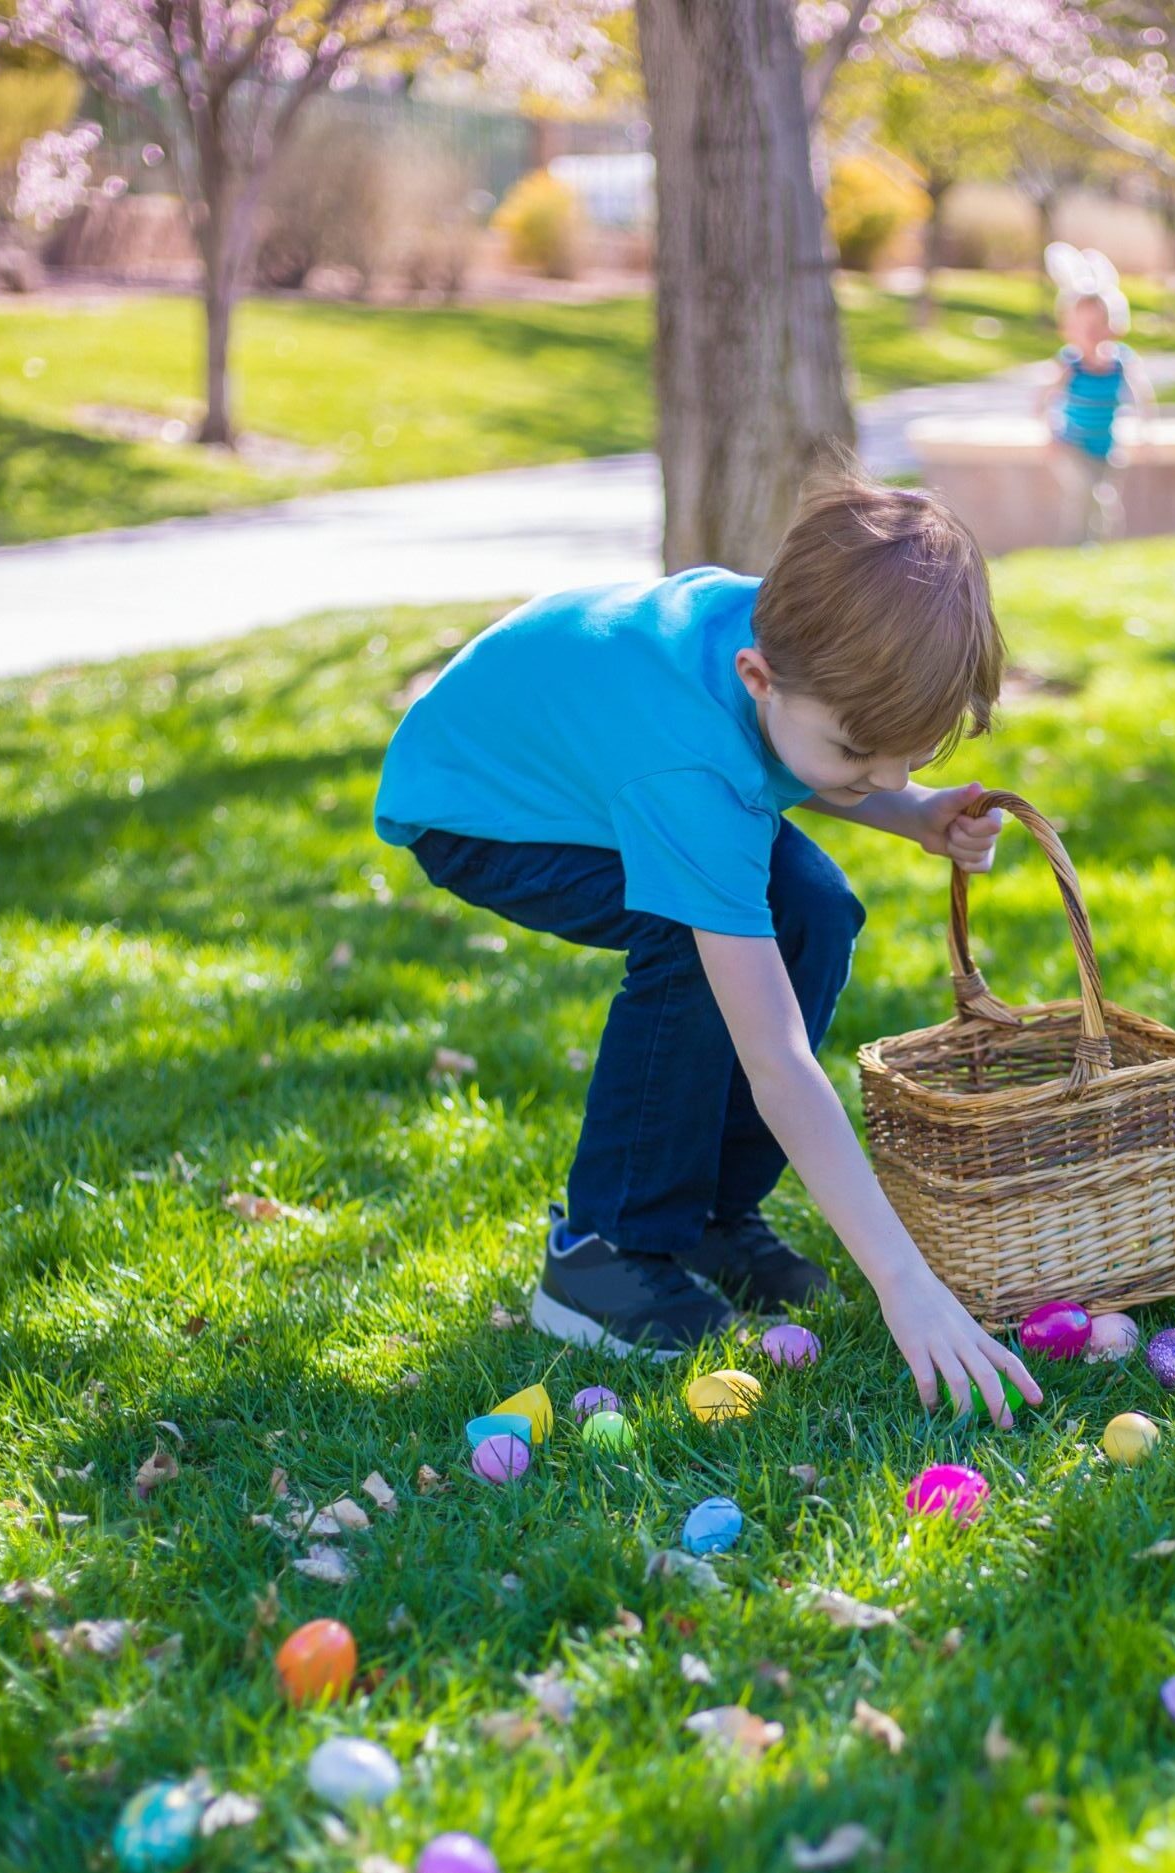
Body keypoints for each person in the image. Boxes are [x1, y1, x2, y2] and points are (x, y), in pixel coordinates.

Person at [373, 472, 1042, 1426]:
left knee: (814, 910)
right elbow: (777, 1061)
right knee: (692, 939)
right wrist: (903, 1281)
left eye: (911, 757)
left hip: (601, 762)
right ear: (758, 678)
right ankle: (603, 1252)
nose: (885, 776)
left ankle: (711, 1222)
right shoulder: (689, 761)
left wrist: (914, 813)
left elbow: (784, 750)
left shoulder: (798, 644)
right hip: (480, 804)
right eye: (861, 756)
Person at [1034, 244, 1154, 545]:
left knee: (1106, 500)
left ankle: (1103, 546)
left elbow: (1141, 397)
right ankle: (1075, 545)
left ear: (1114, 325)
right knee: (1083, 493)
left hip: (1106, 446)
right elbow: (1044, 399)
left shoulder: (1121, 362)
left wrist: (1145, 432)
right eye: (1083, 327)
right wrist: (1050, 434)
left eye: (1099, 325)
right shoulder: (1070, 364)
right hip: (1072, 444)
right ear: (1069, 329)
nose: (1091, 334)